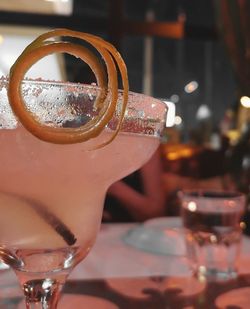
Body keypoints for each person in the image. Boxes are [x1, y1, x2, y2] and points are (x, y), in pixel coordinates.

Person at [103, 147, 166, 222]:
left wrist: (112, 185)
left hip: (132, 228)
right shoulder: (89, 146)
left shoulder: (145, 145)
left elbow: (156, 213)